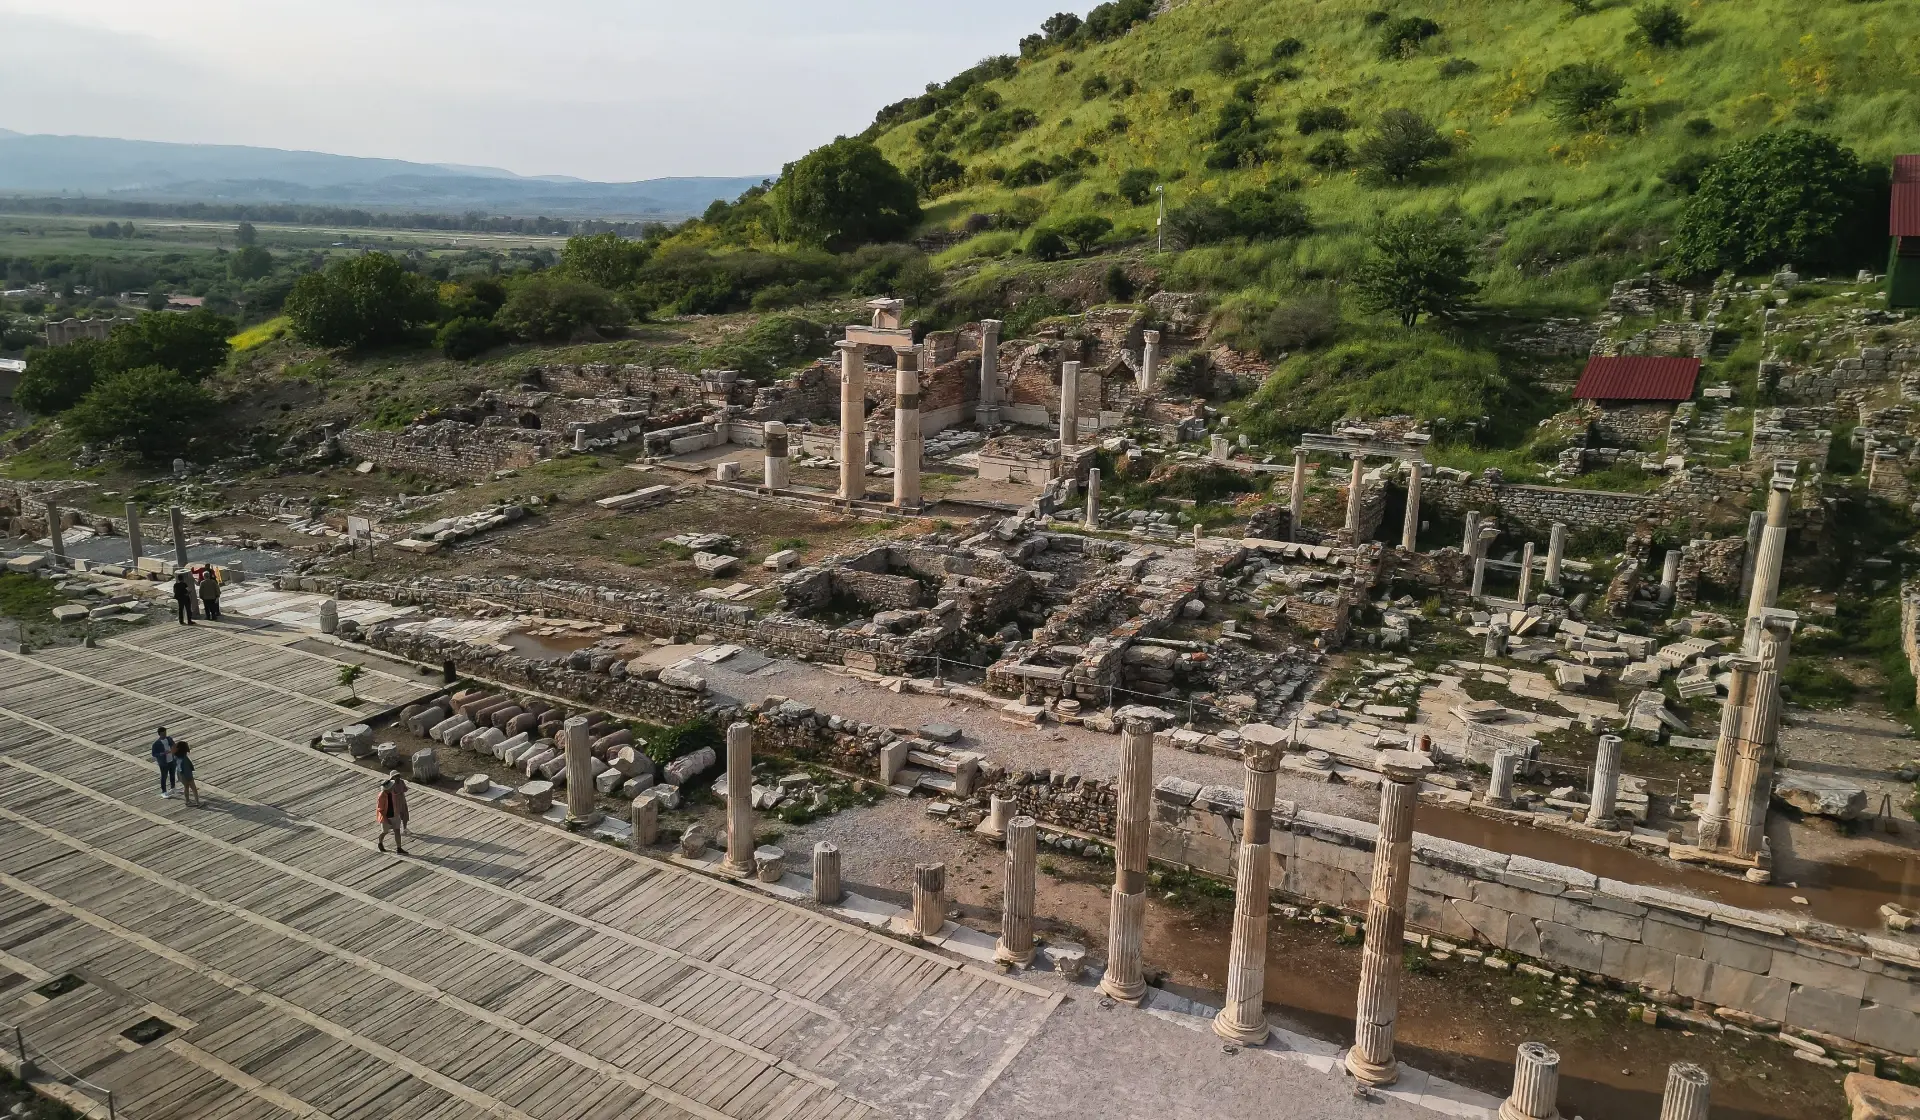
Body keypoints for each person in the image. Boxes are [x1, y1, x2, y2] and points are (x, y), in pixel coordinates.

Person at [376, 772, 410, 855]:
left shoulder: (392, 793)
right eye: (391, 787)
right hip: (386, 817)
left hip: (395, 815)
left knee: (397, 831)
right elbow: (380, 809)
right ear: (387, 789)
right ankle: (380, 842)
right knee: (385, 831)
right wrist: (386, 819)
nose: (392, 787)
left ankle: (399, 848)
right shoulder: (381, 796)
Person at [172, 741, 201, 806]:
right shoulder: (184, 760)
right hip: (186, 776)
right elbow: (187, 769)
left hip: (180, 774)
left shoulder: (176, 756)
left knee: (186, 787)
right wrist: (190, 778)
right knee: (194, 789)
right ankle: (197, 803)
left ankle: (187, 801)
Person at [150, 726, 177, 798]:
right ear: (159, 734)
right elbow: (154, 754)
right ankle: (164, 791)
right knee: (164, 776)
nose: (165, 735)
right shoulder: (156, 744)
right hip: (163, 763)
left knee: (172, 774)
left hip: (171, 759)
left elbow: (173, 745)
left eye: (165, 733)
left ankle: (173, 788)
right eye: (163, 734)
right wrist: (163, 753)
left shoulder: (169, 739)